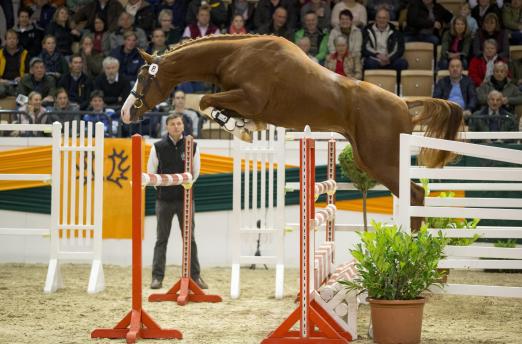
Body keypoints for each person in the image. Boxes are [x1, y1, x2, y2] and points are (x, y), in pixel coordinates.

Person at [148, 113, 207, 290]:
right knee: (161, 239)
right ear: (167, 127)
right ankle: (157, 278)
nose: (176, 126)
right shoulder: (157, 147)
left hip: (186, 200)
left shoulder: (193, 146)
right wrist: (162, 189)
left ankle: (195, 277)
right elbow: (151, 173)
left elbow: (195, 172)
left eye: (179, 123)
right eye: (172, 124)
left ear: (183, 126)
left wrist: (186, 185)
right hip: (164, 201)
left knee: (190, 239)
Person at [362, 8, 408, 73]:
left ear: (388, 19)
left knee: (402, 63)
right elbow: (364, 48)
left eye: (384, 18)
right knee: (369, 63)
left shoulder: (396, 32)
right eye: (379, 18)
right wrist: (377, 55)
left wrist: (389, 58)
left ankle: (396, 83)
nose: (381, 20)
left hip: (390, 59)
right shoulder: (367, 31)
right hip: (374, 59)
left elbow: (400, 50)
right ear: (376, 19)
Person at [0, 30, 29, 98]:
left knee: (22, 93)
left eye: (14, 38)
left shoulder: (24, 53)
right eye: (9, 38)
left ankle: (22, 108)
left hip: (19, 82)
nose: (12, 41)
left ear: (17, 41)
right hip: (3, 82)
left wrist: (22, 78)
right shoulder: (0, 54)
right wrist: (1, 80)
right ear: (6, 41)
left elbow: (29, 72)